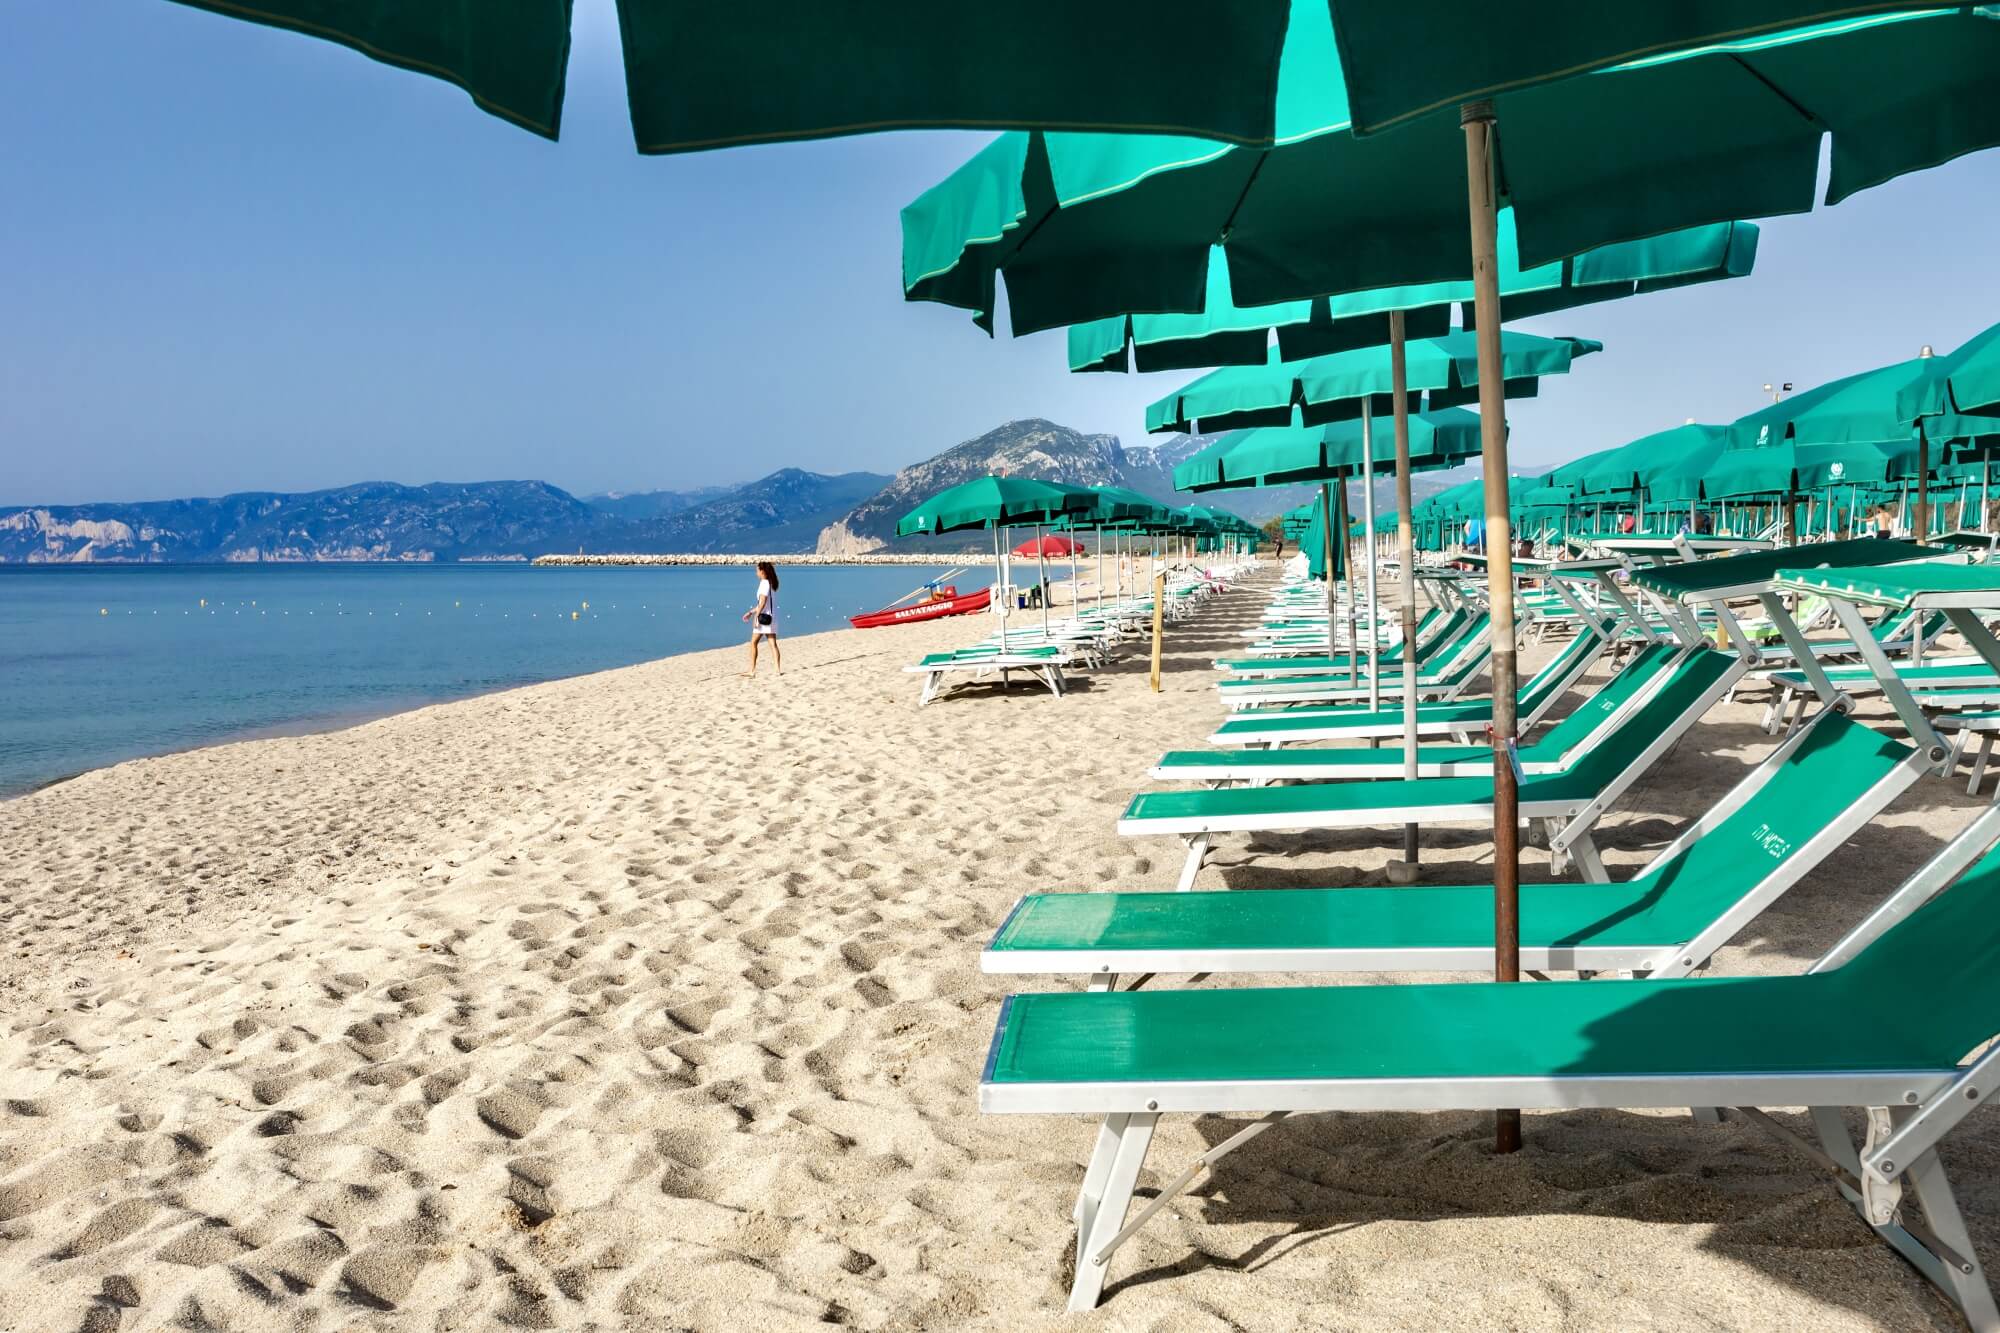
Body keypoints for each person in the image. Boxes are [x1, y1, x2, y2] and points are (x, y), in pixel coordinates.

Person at [742, 560, 781, 676]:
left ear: (762, 571)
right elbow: (764, 603)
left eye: (757, 571)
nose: (756, 573)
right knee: (773, 644)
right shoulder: (771, 583)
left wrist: (756, 617)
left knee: (753, 643)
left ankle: (752, 670)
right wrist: (750, 612)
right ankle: (777, 670)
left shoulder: (764, 583)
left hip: (763, 619)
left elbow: (762, 602)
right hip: (772, 618)